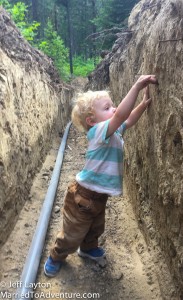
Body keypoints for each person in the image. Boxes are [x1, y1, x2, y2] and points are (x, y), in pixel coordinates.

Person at [44, 75, 158, 277]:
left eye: (112, 106)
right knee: (72, 234)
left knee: (96, 227)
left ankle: (87, 248)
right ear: (92, 120)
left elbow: (128, 119)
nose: (113, 109)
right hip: (83, 197)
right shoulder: (98, 132)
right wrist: (137, 84)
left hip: (98, 196)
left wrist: (143, 104)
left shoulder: (112, 131)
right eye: (107, 108)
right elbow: (122, 115)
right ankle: (56, 255)